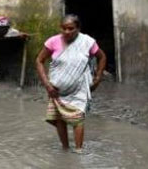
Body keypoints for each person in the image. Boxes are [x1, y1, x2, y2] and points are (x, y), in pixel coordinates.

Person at [35, 14, 107, 152]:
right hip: (56, 89)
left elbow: (102, 57)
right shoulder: (53, 42)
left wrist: (98, 78)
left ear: (78, 28)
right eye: (64, 28)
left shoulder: (87, 42)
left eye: (70, 28)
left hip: (78, 88)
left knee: (78, 118)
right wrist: (47, 85)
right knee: (60, 119)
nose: (66, 32)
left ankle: (79, 150)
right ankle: (65, 148)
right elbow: (39, 60)